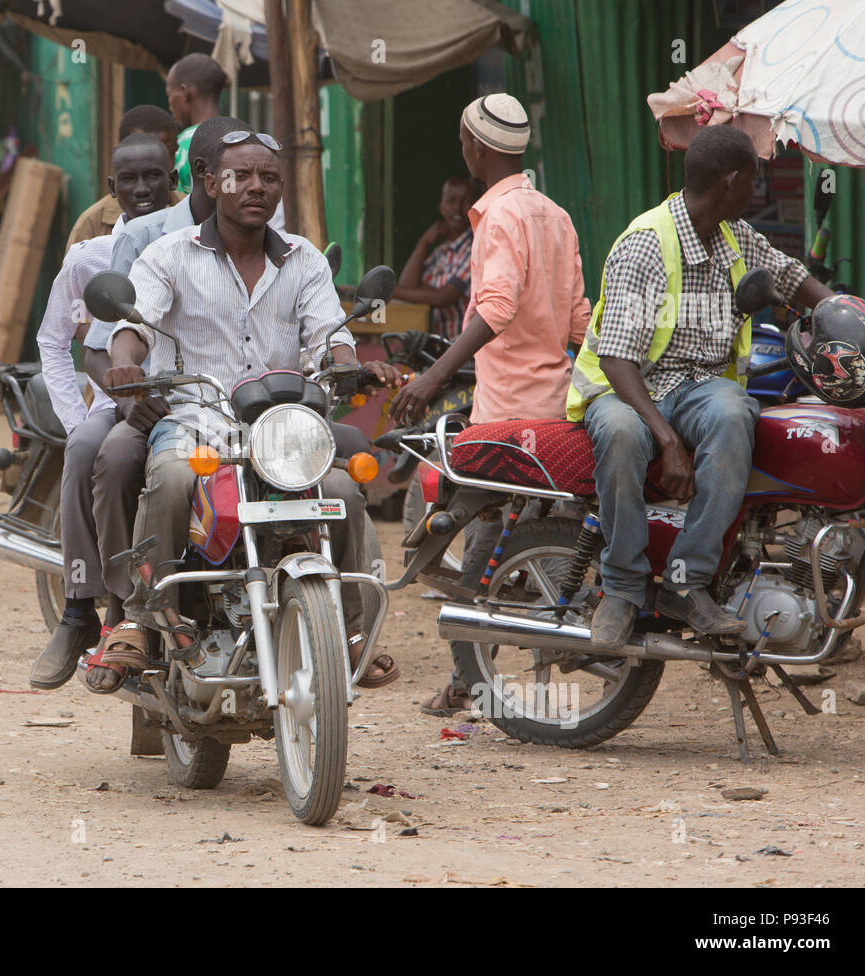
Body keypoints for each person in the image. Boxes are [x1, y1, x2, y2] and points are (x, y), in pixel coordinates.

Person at [92, 130, 404, 693]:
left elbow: (329, 334)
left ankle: (352, 632)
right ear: (211, 183)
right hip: (197, 423)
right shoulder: (170, 255)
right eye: (241, 176)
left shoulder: (304, 259)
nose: (256, 187)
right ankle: (142, 617)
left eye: (269, 177)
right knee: (167, 479)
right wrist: (125, 364)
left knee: (347, 491)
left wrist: (342, 359)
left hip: (283, 432)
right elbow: (132, 326)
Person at [568, 126, 833, 650]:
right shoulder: (646, 244)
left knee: (737, 413)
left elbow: (789, 278)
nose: (755, 190)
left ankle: (687, 582)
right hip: (627, 385)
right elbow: (617, 359)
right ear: (731, 181)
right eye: (753, 179)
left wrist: (846, 313)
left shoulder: (736, 235)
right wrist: (666, 440)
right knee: (622, 435)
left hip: (698, 385)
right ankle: (621, 586)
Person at [388, 94, 591, 715]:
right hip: (555, 405)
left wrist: (433, 378)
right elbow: (579, 319)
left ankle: (467, 676)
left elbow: (495, 308)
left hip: (505, 411)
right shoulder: (554, 215)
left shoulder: (499, 218)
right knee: (522, 527)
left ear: (473, 147)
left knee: (474, 526)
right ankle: (488, 660)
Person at [29, 133, 177, 689]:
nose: (142, 189)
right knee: (87, 449)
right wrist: (78, 415)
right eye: (129, 180)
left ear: (174, 182)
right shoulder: (88, 259)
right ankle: (80, 606)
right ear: (111, 189)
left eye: (154, 177)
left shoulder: (193, 244)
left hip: (191, 399)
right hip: (119, 405)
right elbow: (57, 343)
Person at [64, 106, 184, 251]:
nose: (142, 189)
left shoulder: (189, 213)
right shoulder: (93, 224)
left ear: (173, 179)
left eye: (168, 153)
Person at [392, 175, 480, 338]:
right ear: (441, 207)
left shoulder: (476, 247)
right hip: (443, 347)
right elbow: (407, 285)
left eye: (466, 202)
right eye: (451, 201)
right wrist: (424, 242)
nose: (457, 207)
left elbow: (442, 297)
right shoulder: (443, 251)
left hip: (467, 351)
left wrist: (388, 292)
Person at [165, 54, 228, 194]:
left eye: (170, 95)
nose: (170, 105)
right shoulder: (244, 137)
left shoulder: (179, 147)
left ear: (185, 93)